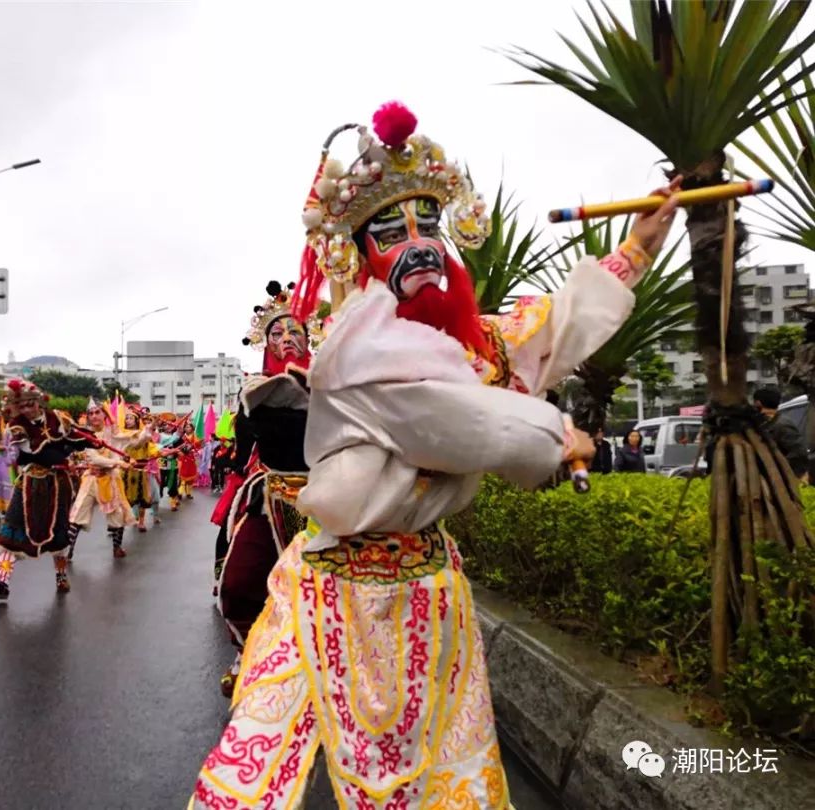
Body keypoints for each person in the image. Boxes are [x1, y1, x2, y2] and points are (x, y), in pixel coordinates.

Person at [191, 101, 679, 807]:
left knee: (442, 783)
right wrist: (557, 435)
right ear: (361, 257)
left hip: (428, 586)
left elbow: (543, 333)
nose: (417, 243)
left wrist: (635, 250)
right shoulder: (358, 348)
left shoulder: (462, 341)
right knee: (256, 780)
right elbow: (455, 421)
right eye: (390, 232)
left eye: (429, 226)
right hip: (333, 590)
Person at [211, 279, 320, 698]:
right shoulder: (254, 390)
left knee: (322, 591)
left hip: (326, 497)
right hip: (270, 493)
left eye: (296, 331)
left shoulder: (331, 384)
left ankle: (317, 662)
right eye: (278, 332)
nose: (288, 338)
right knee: (238, 585)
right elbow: (243, 446)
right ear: (265, 342)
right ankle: (247, 653)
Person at [0, 379, 90, 600]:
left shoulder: (57, 418)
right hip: (29, 482)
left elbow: (77, 437)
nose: (27, 409)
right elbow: (32, 452)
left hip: (57, 484)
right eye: (22, 405)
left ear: (39, 402)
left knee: (59, 532)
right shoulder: (16, 427)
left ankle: (61, 576)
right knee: (10, 530)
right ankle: (2, 584)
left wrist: (92, 442)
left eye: (30, 404)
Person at [66, 400, 135, 560]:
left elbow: (131, 440)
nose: (94, 416)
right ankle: (68, 550)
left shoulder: (113, 432)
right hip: (91, 477)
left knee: (117, 514)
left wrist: (149, 430)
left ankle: (117, 547)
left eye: (98, 412)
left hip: (110, 478)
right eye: (91, 413)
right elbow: (94, 458)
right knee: (77, 514)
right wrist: (118, 463)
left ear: (104, 414)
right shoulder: (85, 435)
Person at [753, 386, 808, 479]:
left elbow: (799, 453)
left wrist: (777, 467)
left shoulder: (782, 424)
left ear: (758, 403)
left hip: (788, 480)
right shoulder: (765, 423)